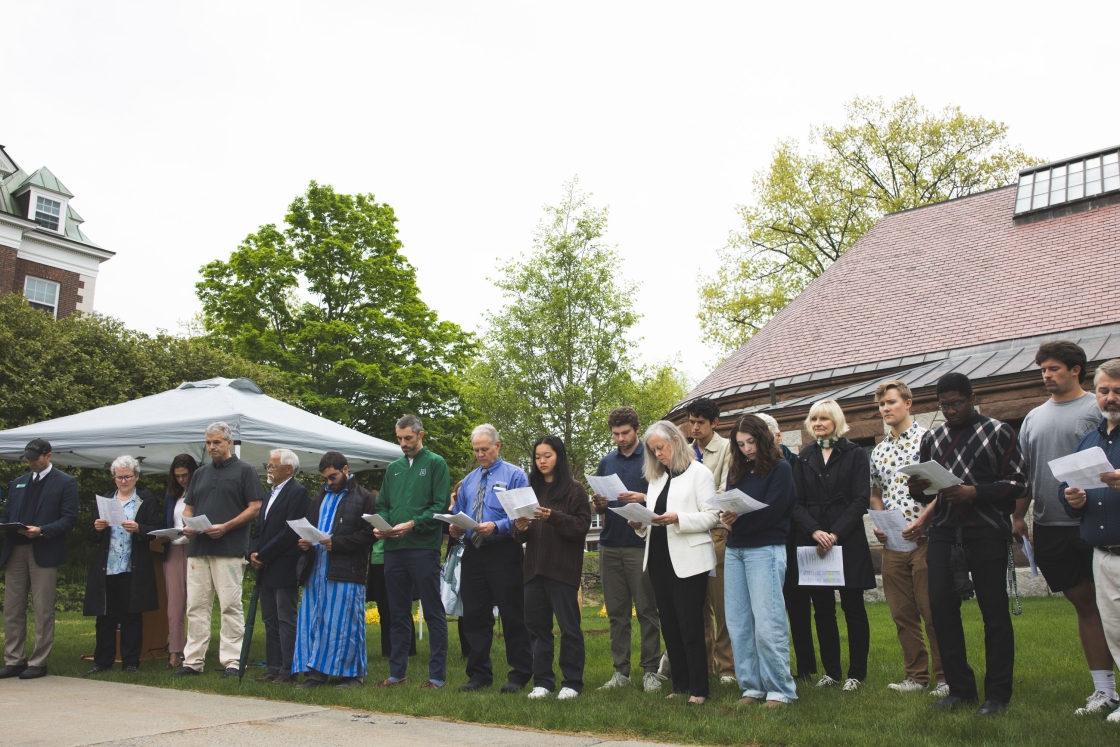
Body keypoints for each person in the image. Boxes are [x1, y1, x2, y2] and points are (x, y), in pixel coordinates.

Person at [912, 372, 1027, 717]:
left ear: (972, 397)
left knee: (993, 612)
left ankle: (997, 695)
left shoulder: (998, 431)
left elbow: (1019, 483)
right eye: (943, 406)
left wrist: (974, 491)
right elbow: (923, 490)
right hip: (945, 530)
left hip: (987, 529)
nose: (949, 411)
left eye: (956, 404)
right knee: (941, 609)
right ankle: (960, 690)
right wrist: (917, 487)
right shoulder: (933, 437)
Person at [1014, 342, 1117, 715]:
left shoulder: (1099, 409)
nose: (1046, 374)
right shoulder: (1033, 418)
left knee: (1112, 608)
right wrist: (1018, 517)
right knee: (1087, 607)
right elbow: (1025, 473)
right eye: (1042, 369)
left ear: (1076, 370)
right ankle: (1104, 690)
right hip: (1051, 525)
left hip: (1097, 524)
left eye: (1054, 368)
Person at [628, 420, 719, 704]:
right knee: (669, 623)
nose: (658, 455)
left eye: (661, 448)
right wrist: (638, 523)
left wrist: (679, 518)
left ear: (676, 442)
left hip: (690, 559)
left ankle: (699, 690)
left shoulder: (699, 474)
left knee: (689, 623)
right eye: (653, 451)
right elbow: (653, 518)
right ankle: (680, 684)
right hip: (658, 558)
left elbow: (712, 516)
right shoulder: (657, 478)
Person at [868, 381, 946, 696]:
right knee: (902, 612)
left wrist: (925, 520)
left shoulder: (930, 440)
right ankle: (916, 676)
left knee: (932, 610)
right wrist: (879, 520)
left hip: (926, 538)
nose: (886, 409)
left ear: (908, 403)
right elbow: (876, 493)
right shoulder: (879, 450)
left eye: (891, 402)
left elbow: (945, 488)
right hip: (893, 543)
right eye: (882, 405)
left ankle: (945, 678)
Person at [791, 399, 874, 692]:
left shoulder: (855, 455)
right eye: (813, 419)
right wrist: (815, 531)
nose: (817, 424)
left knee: (853, 607)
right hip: (814, 542)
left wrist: (835, 534)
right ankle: (832, 672)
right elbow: (796, 503)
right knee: (822, 609)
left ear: (836, 421)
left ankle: (856, 673)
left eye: (824, 419)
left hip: (846, 539)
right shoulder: (803, 457)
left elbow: (861, 500)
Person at [448, 424, 533, 693]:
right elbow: (460, 511)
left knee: (512, 614)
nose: (480, 455)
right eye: (476, 450)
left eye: (485, 449)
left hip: (503, 551)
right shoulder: (470, 479)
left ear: (498, 446)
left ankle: (519, 673)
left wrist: (497, 527)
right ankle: (478, 673)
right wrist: (455, 527)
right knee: (475, 615)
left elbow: (523, 515)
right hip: (474, 552)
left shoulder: (515, 476)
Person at [175, 422, 264, 678]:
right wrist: (187, 524)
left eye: (216, 442)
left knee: (229, 606)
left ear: (228, 442)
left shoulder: (244, 470)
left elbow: (255, 506)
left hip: (229, 547)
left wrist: (226, 526)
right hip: (199, 546)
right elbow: (189, 507)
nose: (212, 447)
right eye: (208, 442)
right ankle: (192, 662)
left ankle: (233, 662)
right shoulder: (201, 473)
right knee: (196, 606)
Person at [721, 415, 798, 707]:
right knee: (739, 623)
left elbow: (772, 513)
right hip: (735, 550)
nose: (746, 449)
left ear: (763, 438)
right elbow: (730, 505)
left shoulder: (781, 468)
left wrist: (734, 524)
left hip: (765, 549)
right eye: (740, 444)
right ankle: (751, 688)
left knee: (768, 622)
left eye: (750, 442)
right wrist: (726, 518)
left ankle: (780, 690)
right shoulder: (736, 469)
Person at [1059, 357, 1120, 724]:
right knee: (1113, 627)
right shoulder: (1089, 438)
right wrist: (1073, 500)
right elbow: (1073, 494)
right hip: (1102, 552)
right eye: (1104, 391)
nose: (1111, 398)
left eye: (1118, 391)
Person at [373, 414, 451, 689]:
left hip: (422, 548)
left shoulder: (435, 464)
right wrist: (380, 526)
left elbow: (441, 506)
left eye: (408, 438)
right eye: (399, 439)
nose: (403, 443)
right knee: (397, 613)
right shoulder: (393, 468)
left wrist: (413, 524)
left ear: (421, 435)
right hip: (393, 549)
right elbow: (382, 504)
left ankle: (437, 676)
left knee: (432, 612)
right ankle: (397, 674)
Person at [513, 435, 592, 700]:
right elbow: (523, 535)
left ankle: (572, 682)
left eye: (547, 455)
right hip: (533, 569)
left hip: (562, 569)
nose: (542, 461)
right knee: (537, 628)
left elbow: (581, 527)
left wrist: (553, 516)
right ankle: (543, 681)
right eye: (537, 457)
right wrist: (520, 529)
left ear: (559, 456)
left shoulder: (574, 489)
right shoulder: (530, 490)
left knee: (569, 628)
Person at [591, 407, 663, 692]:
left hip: (641, 544)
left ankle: (650, 671)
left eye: (625, 433)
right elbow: (602, 506)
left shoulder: (653, 457)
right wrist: (598, 505)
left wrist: (643, 498)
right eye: (615, 434)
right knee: (617, 613)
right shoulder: (606, 462)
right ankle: (621, 672)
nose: (620, 439)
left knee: (647, 610)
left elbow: (664, 497)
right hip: (610, 543)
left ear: (637, 428)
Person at [292, 451, 377, 689]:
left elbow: (370, 534)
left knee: (345, 623)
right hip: (316, 569)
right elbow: (309, 527)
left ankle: (352, 675)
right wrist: (305, 542)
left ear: (346, 470)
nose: (329, 482)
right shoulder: (319, 497)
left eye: (332, 477)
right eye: (325, 478)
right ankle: (317, 672)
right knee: (316, 621)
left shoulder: (364, 497)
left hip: (346, 570)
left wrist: (337, 543)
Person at [0, 438, 79, 680]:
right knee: (12, 608)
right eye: (29, 458)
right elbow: (7, 514)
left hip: (43, 550)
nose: (31, 462)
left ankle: (38, 661)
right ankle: (14, 659)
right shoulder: (18, 483)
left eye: (36, 458)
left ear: (48, 456)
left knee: (43, 609)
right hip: (15, 550)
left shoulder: (65, 482)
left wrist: (42, 530)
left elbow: (69, 519)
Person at [83, 455, 162, 675]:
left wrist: (138, 528)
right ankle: (102, 661)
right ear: (114, 478)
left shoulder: (145, 499)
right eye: (119, 477)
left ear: (136, 477)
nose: (123, 481)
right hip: (107, 566)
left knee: (131, 615)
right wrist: (97, 528)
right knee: (105, 616)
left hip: (132, 565)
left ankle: (130, 662)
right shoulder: (106, 499)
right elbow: (91, 535)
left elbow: (154, 528)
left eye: (127, 476)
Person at [757, 413, 816, 682]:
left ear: (778, 437)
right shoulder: (754, 466)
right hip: (764, 542)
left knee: (797, 605)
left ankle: (805, 668)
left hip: (794, 540)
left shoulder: (796, 462)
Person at [248, 449, 310, 685]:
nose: (269, 470)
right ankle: (273, 666)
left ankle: (288, 668)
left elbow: (290, 531)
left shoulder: (297, 492)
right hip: (265, 565)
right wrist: (253, 552)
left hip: (284, 563)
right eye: (269, 465)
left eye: (273, 466)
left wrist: (264, 555)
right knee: (270, 619)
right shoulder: (269, 494)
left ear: (288, 469)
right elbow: (259, 528)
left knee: (286, 618)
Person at [685, 398, 735, 685]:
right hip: (691, 536)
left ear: (714, 423)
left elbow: (722, 491)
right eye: (691, 422)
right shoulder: (686, 452)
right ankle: (703, 666)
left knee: (722, 605)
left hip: (717, 535)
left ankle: (728, 668)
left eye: (700, 423)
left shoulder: (727, 448)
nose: (694, 427)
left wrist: (693, 507)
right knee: (696, 606)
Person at [160, 453, 198, 670]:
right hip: (173, 550)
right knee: (174, 605)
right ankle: (175, 651)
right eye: (177, 476)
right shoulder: (171, 495)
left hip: (194, 549)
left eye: (185, 475)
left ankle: (194, 651)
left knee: (195, 603)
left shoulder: (200, 493)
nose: (181, 480)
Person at [367, 537, 417, 658]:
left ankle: (408, 649)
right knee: (383, 608)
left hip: (395, 556)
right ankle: (388, 650)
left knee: (401, 605)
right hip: (376, 560)